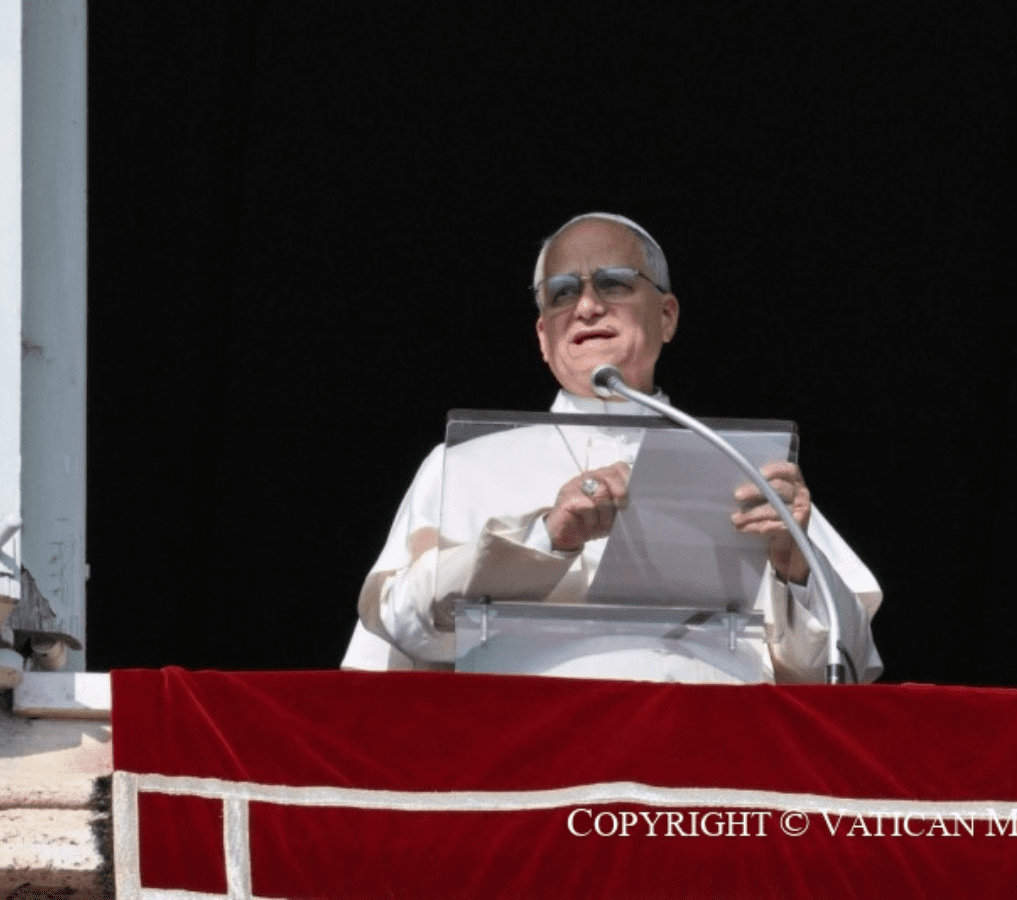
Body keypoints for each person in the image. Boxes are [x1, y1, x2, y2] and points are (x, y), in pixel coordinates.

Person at [342, 213, 882, 683]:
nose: (587, 306)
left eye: (614, 283)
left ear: (667, 316)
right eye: (562, 293)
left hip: (707, 747)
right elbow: (399, 626)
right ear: (543, 338)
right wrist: (544, 538)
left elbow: (842, 667)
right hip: (531, 748)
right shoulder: (462, 466)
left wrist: (795, 567)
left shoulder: (740, 464)